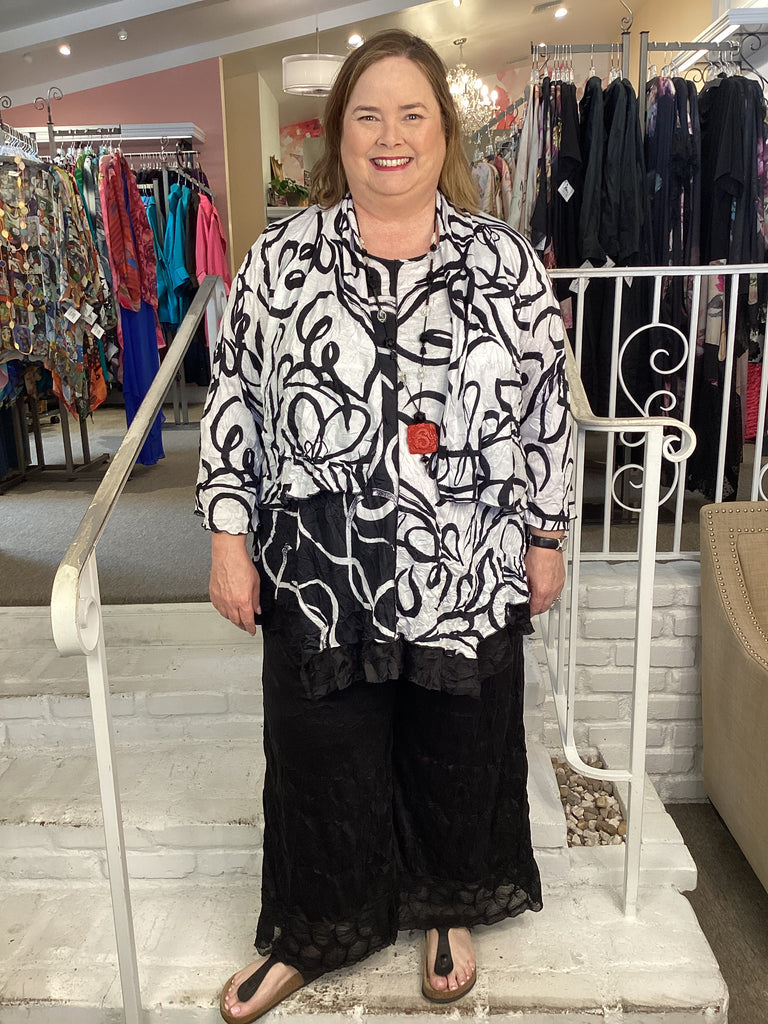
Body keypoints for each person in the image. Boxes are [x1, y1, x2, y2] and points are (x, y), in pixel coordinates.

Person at [195, 28, 572, 1024]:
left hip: (467, 554)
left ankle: (447, 902)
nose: (390, 136)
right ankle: (315, 924)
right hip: (322, 562)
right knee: (320, 745)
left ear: (444, 131)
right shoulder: (280, 260)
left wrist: (545, 536)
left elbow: (545, 411)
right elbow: (235, 403)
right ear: (339, 134)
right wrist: (228, 538)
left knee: (458, 735)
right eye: (368, 115)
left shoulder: (504, 263)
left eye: (412, 114)